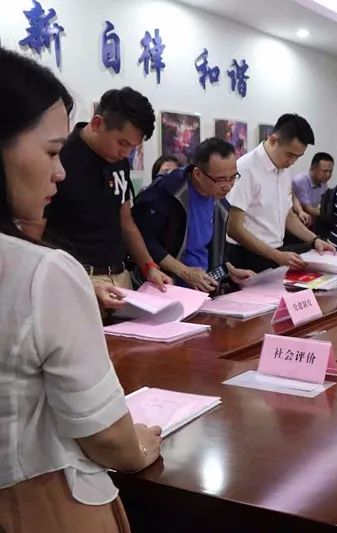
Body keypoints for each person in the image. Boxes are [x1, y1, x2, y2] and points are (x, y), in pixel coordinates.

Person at [0, 47, 161, 533]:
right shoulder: (40, 272)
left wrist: (148, 266)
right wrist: (138, 446)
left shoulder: (117, 171)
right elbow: (107, 437)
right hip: (36, 499)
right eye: (51, 152)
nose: (59, 172)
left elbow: (125, 222)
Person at [44, 87, 171, 311]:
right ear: (97, 124)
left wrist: (149, 266)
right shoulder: (61, 158)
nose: (126, 153)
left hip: (120, 277)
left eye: (133, 147)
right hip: (80, 277)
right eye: (122, 143)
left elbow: (126, 221)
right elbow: (38, 227)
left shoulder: (119, 161)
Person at [133, 138, 255, 292]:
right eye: (221, 179)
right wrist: (184, 272)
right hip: (166, 288)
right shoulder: (168, 192)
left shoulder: (220, 203)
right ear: (198, 174)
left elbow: (208, 248)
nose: (228, 186)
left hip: (202, 290)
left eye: (233, 177)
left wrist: (230, 270)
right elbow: (143, 240)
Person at [225, 113, 336, 272]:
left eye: (297, 157)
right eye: (290, 155)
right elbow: (234, 228)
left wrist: (314, 240)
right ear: (273, 140)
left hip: (274, 253)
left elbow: (287, 215)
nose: (292, 162)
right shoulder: (246, 168)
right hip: (246, 256)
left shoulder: (283, 169)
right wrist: (277, 256)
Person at [291, 151, 334, 228]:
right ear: (313, 168)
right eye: (324, 171)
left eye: (330, 171)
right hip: (295, 221)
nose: (328, 175)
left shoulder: (323, 182)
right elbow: (309, 209)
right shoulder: (300, 181)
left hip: (309, 220)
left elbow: (321, 207)